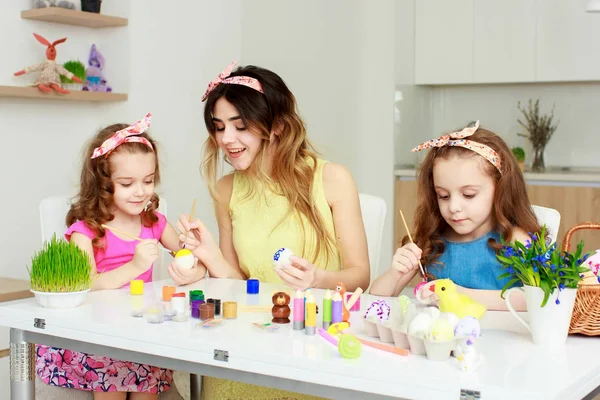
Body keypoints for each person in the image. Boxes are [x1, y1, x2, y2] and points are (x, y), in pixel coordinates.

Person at [168, 61, 370, 400]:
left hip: (312, 345)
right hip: (248, 341)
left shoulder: (332, 179)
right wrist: (209, 254)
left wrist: (317, 278)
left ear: (276, 125)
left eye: (240, 126)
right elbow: (236, 282)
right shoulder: (225, 188)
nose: (226, 139)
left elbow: (360, 275)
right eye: (218, 127)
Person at [35, 113, 205, 399]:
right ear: (104, 184)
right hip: (101, 335)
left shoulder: (155, 223)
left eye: (148, 181)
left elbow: (189, 256)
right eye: (127, 184)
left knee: (147, 385)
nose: (140, 192)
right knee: (112, 385)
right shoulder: (86, 231)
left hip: (141, 332)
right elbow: (86, 284)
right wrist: (135, 266)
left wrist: (192, 263)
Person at [369, 121, 540, 311]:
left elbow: (538, 299)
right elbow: (376, 300)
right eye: (443, 196)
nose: (454, 207)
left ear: (500, 190)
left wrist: (459, 294)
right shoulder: (432, 241)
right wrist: (395, 272)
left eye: (468, 195)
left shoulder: (516, 241)